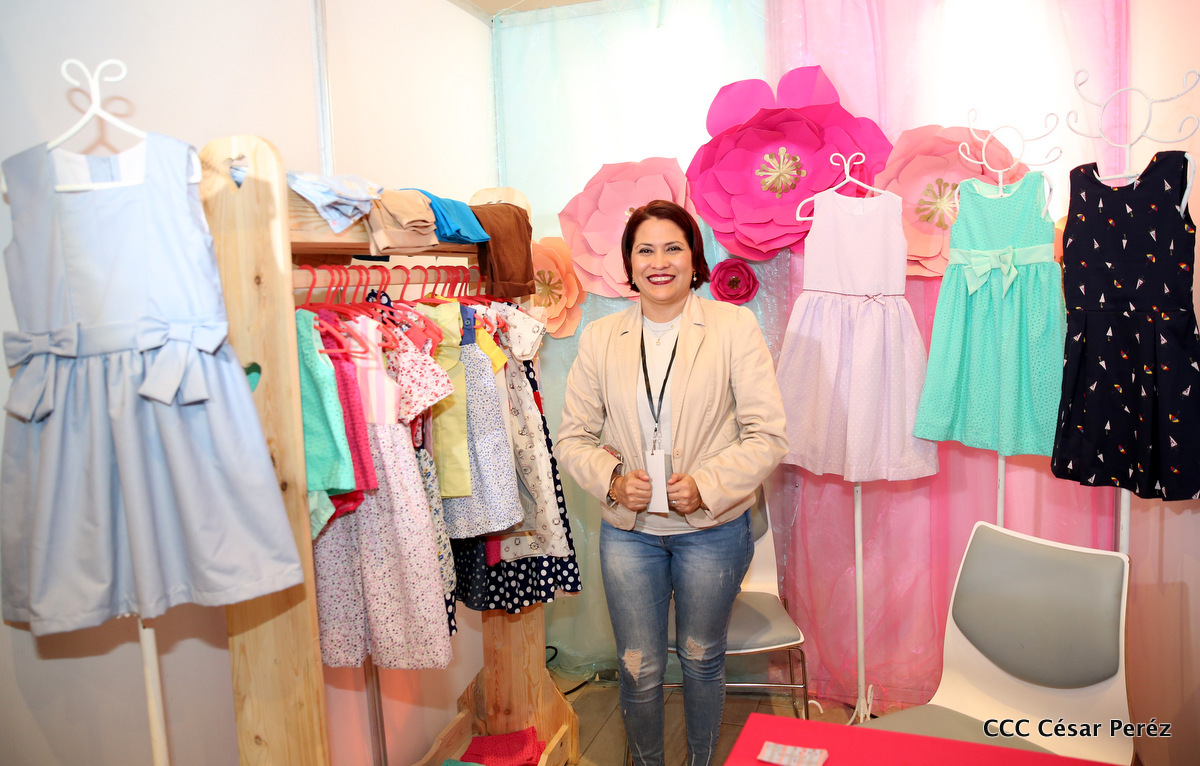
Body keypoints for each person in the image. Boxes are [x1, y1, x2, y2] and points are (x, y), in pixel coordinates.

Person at [556, 199, 788, 766]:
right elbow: (572, 439)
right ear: (629, 264)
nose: (659, 262)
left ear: (694, 258)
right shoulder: (601, 337)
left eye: (673, 248)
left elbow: (768, 435)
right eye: (645, 250)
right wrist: (613, 480)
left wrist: (707, 483)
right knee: (637, 666)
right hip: (629, 532)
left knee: (703, 658)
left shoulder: (733, 327)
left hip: (712, 529)